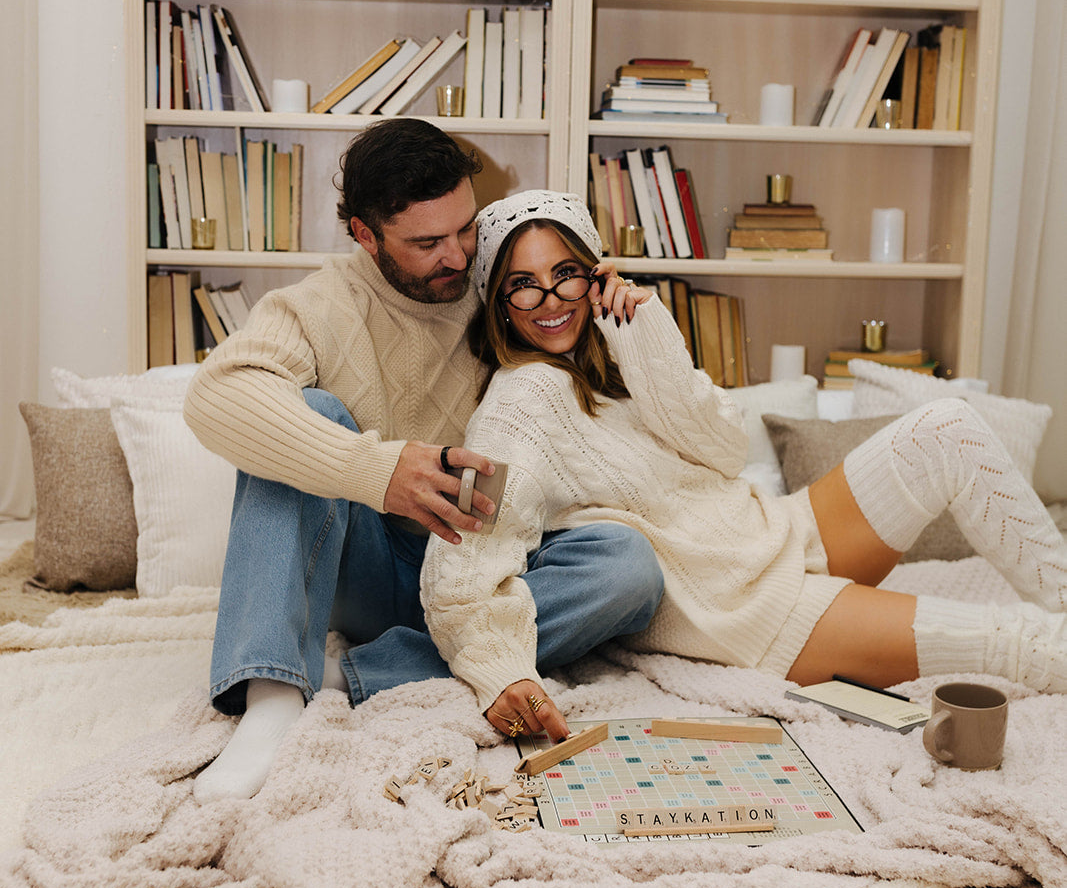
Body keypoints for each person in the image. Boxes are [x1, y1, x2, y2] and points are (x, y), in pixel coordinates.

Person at [420, 189, 1067, 743]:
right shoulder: (516, 409)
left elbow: (726, 449)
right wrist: (499, 669)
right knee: (1024, 643)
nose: (549, 298)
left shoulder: (617, 359)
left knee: (946, 427)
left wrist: (642, 335)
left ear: (595, 274)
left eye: (565, 272)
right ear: (498, 303)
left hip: (779, 533)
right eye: (521, 285)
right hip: (749, 610)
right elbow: (462, 571)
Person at [183, 125, 663, 802]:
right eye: (427, 243)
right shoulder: (318, 306)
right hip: (373, 563)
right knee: (307, 414)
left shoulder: (499, 281)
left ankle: (353, 677)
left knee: (629, 566)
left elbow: (600, 405)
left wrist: (622, 318)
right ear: (364, 234)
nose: (459, 255)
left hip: (487, 568)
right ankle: (270, 696)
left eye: (465, 229)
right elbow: (217, 398)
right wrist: (376, 470)